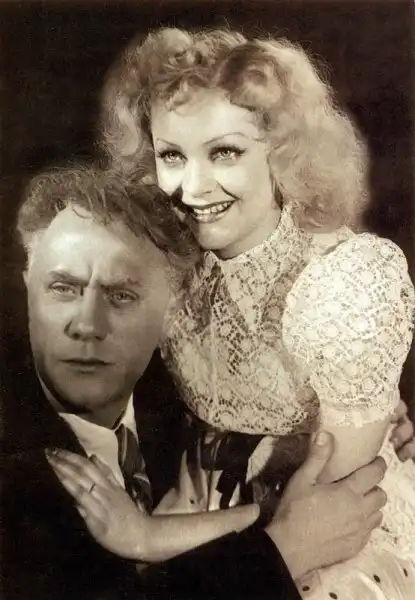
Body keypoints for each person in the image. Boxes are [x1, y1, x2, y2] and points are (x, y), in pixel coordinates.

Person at [67, 27, 415, 599]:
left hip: (333, 544)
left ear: (281, 153)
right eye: (172, 155)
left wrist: (149, 537)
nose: (192, 187)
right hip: (204, 523)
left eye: (224, 152)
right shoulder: (169, 266)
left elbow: (328, 515)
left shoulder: (345, 281)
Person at [3, 164, 394, 600]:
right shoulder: (13, 468)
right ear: (27, 285)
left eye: (122, 296)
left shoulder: (184, 386)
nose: (88, 324)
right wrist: (284, 547)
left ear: (167, 306)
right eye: (63, 287)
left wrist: (366, 413)